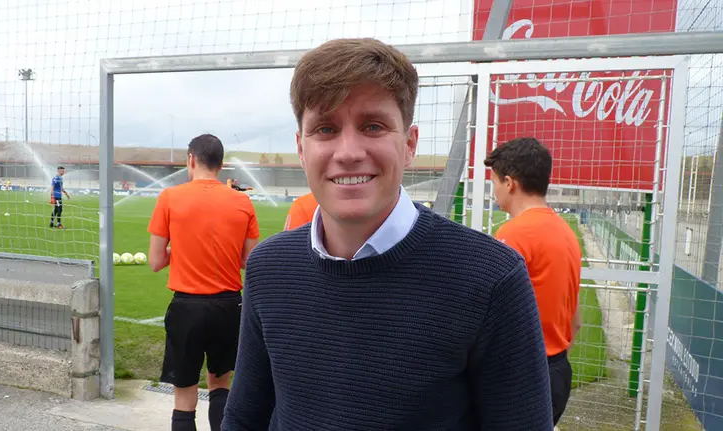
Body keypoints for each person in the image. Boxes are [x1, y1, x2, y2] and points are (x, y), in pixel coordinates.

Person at [223, 38, 554, 430]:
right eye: (325, 128)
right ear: (301, 147)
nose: (347, 152)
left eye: (373, 126)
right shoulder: (268, 268)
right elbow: (245, 418)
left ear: (409, 144)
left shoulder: (491, 279)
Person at [147, 134, 260, 431]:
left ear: (191, 159)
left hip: (187, 308)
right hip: (229, 306)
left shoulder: (170, 197)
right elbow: (249, 260)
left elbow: (156, 261)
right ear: (221, 165)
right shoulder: (242, 201)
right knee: (221, 385)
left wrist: (180, 250)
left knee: (184, 395)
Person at [485, 136, 583, 426]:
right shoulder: (567, 233)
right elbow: (574, 320)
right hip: (557, 371)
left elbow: (489, 319)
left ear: (510, 183)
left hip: (522, 374)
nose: (494, 193)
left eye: (494, 184)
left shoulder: (513, 236)